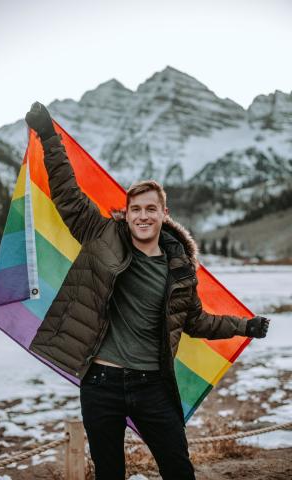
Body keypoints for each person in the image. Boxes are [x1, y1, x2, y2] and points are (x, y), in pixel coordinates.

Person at [25, 102, 270, 480]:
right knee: (109, 474)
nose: (143, 215)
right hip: (101, 383)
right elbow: (68, 195)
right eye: (136, 208)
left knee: (178, 469)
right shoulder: (102, 234)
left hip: (153, 384)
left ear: (162, 214)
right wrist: (47, 136)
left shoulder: (181, 268)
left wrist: (244, 326)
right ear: (127, 212)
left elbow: (196, 321)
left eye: (151, 209)